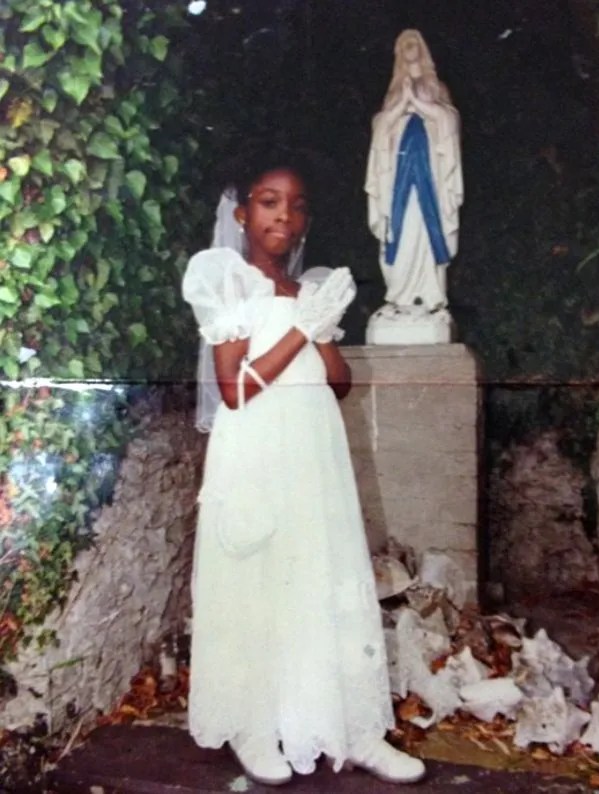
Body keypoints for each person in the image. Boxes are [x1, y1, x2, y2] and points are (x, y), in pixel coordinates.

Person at [181, 149, 426, 786]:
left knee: (324, 577)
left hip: (313, 451)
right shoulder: (225, 279)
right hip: (257, 452)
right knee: (259, 584)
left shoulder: (309, 287)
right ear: (241, 213)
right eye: (268, 202)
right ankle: (254, 727)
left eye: (295, 206)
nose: (283, 216)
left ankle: (352, 728)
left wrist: (320, 329)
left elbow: (337, 384)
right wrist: (299, 331)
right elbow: (234, 390)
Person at [365, 29, 463, 314]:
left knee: (425, 223)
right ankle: (400, 293)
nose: (409, 49)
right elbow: (381, 127)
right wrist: (402, 104)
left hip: (429, 173)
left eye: (414, 44)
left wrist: (418, 104)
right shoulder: (394, 92)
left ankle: (430, 292)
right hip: (399, 174)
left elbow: (448, 120)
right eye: (403, 45)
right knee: (402, 225)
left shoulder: (437, 88)